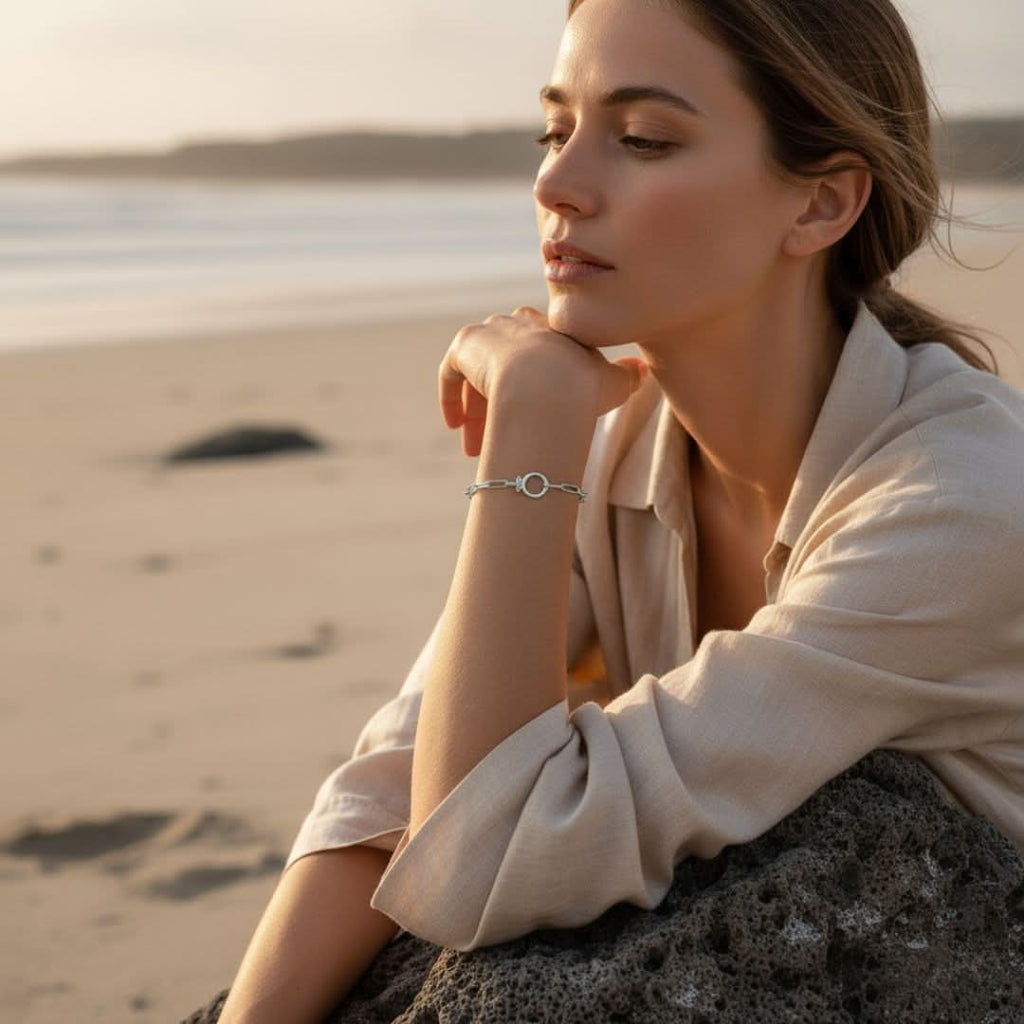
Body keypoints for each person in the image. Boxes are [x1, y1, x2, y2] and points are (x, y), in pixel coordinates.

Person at [217, 0, 1024, 1020]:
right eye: (556, 130)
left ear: (821, 205)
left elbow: (481, 859)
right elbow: (390, 795)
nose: (556, 184)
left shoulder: (959, 504)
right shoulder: (622, 444)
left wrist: (527, 441)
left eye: (641, 139)